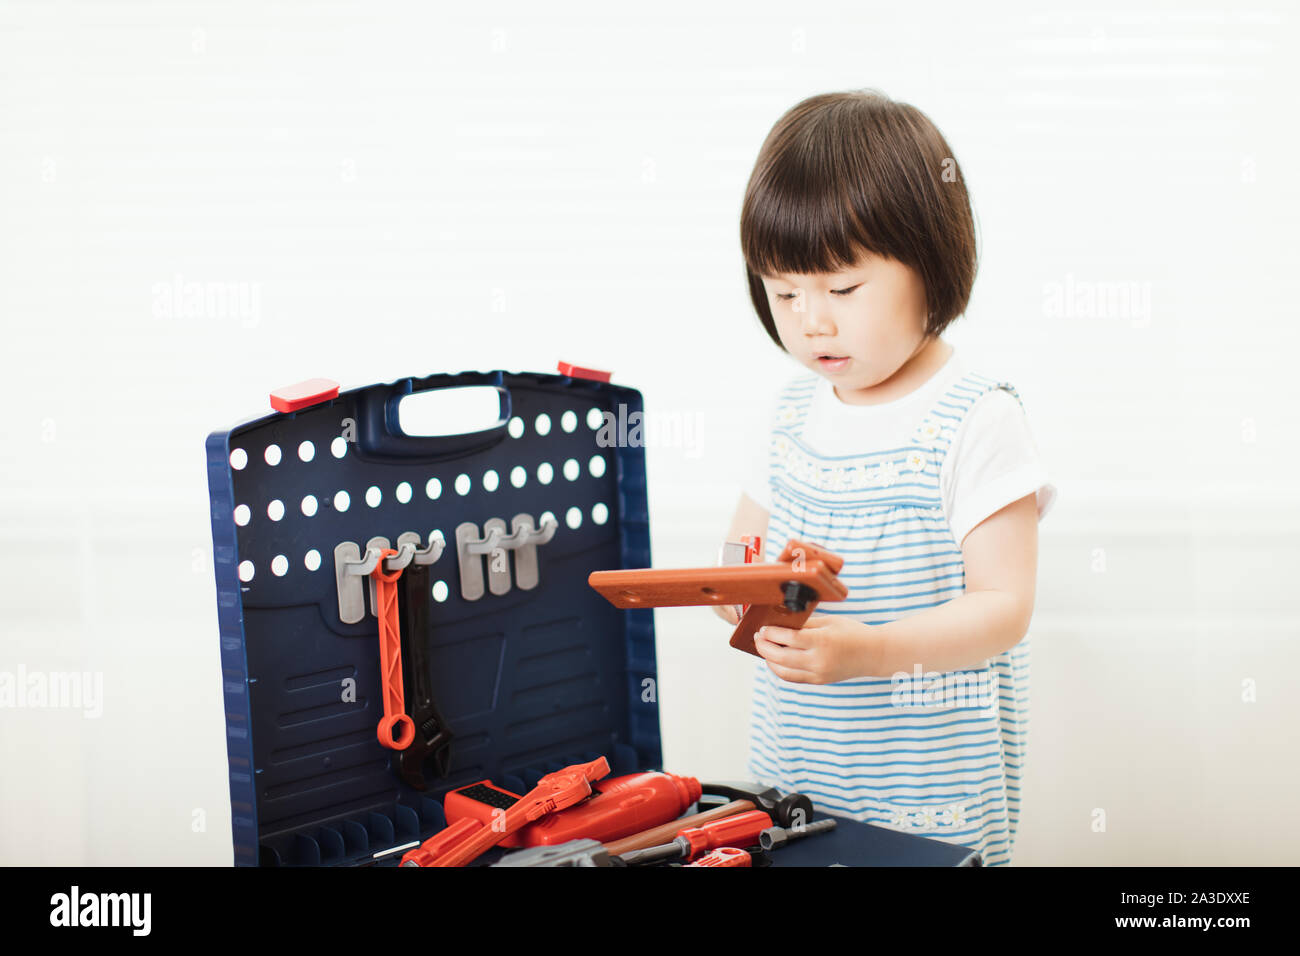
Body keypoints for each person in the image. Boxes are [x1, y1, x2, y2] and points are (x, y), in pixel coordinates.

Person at [717, 89, 1057, 866]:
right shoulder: (788, 416)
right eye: (784, 291)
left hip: (926, 796)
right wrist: (735, 592)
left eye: (841, 289)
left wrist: (868, 652)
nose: (812, 319)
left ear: (930, 265)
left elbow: (1004, 608)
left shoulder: (976, 419)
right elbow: (742, 549)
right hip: (797, 778)